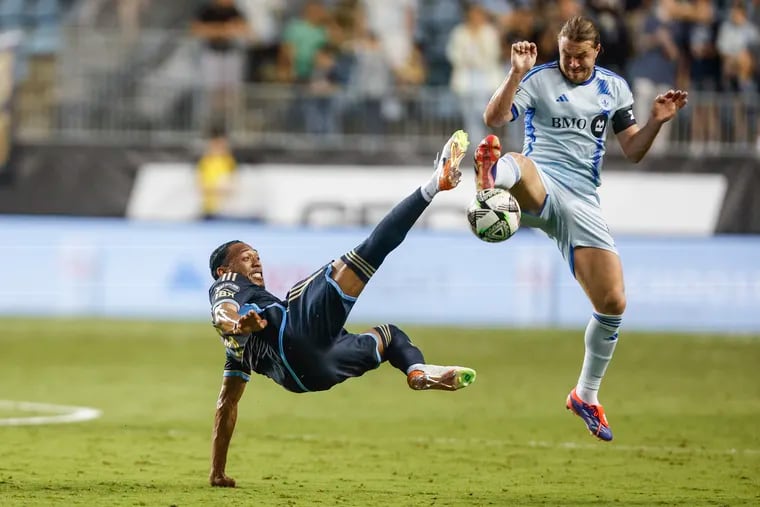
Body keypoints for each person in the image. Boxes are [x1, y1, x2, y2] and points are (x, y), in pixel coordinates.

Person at [207, 130, 476, 487]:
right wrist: (238, 323)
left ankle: (416, 371)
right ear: (225, 269)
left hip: (313, 375)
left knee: (389, 337)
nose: (256, 262)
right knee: (368, 253)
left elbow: (226, 407)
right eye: (246, 258)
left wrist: (217, 471)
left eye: (258, 257)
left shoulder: (237, 354)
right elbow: (222, 313)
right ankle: (433, 185)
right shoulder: (227, 286)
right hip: (296, 333)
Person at [476, 16, 688, 442]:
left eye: (579, 57)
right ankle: (489, 178)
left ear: (596, 53)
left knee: (613, 301)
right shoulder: (537, 79)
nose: (571, 64)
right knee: (519, 162)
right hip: (539, 183)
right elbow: (494, 117)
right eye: (565, 55)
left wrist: (657, 122)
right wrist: (515, 74)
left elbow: (632, 150)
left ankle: (585, 395)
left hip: (582, 202)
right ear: (559, 48)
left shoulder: (615, 89)